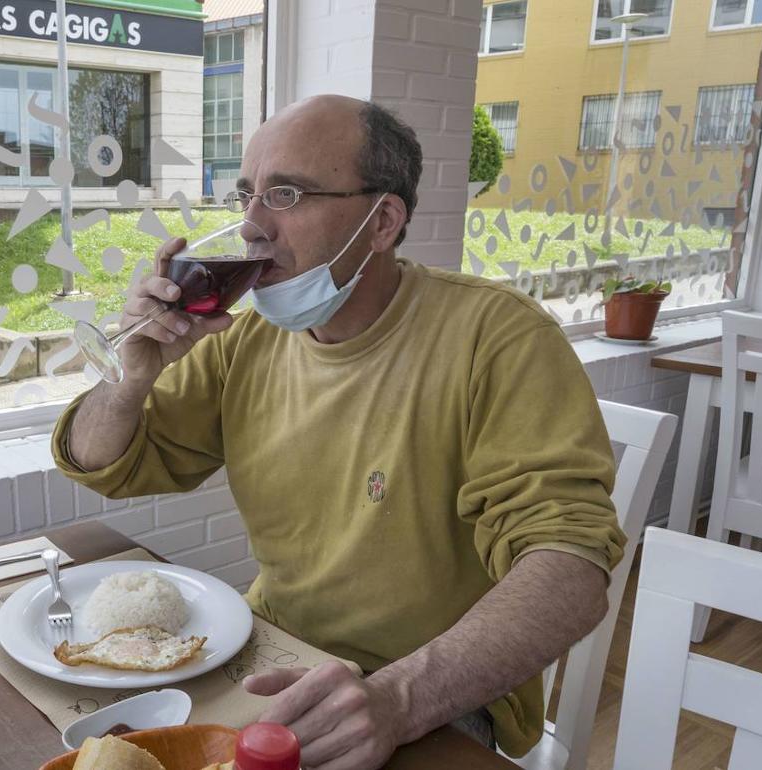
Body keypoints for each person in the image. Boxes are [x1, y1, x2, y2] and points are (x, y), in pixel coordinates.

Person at [51, 94, 625, 769]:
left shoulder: (497, 338)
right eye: (247, 196)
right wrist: (130, 379)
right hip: (269, 647)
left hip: (430, 691)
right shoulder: (245, 336)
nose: (250, 228)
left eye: (285, 194)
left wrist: (396, 700)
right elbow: (104, 465)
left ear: (382, 221)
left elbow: (571, 569)